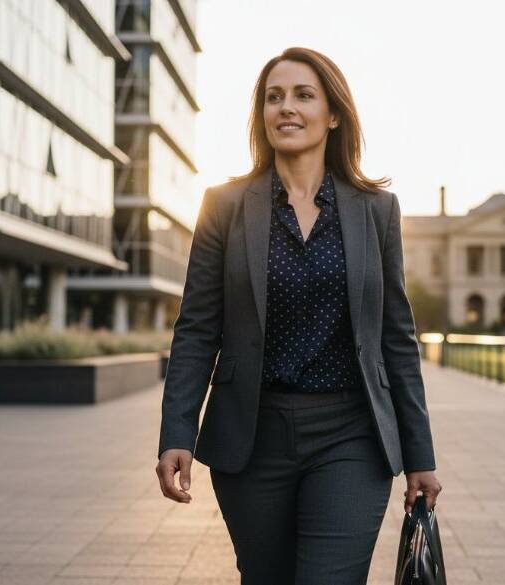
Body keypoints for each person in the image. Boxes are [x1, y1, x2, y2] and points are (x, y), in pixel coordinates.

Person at [156, 46, 442, 585]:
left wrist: (420, 454)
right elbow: (196, 329)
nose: (286, 107)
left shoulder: (375, 211)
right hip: (251, 436)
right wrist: (177, 434)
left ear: (334, 114)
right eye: (274, 97)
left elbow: (396, 338)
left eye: (303, 95)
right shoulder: (224, 205)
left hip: (351, 435)